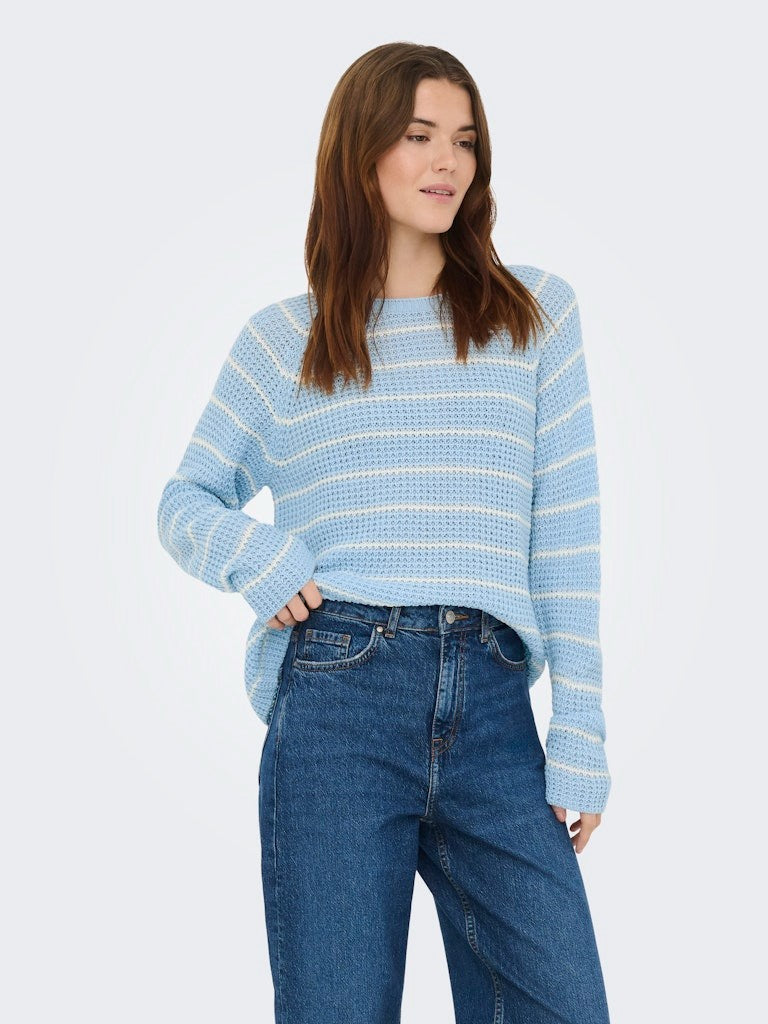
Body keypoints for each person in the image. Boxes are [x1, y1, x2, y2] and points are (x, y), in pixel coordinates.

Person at [156, 41, 612, 1024]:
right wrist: (257, 556)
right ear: (361, 152)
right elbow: (185, 499)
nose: (448, 161)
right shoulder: (285, 338)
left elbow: (567, 535)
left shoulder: (535, 315)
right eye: (419, 136)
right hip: (338, 699)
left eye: (465, 140)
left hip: (494, 710)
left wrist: (580, 727)